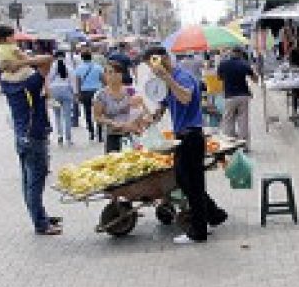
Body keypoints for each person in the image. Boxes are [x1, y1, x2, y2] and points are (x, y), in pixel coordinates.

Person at [143, 46, 228, 244]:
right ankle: (214, 215)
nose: (152, 69)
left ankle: (199, 231)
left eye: (152, 64)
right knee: (184, 181)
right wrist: (154, 117)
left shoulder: (182, 77)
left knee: (194, 185)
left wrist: (167, 78)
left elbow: (185, 97)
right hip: (181, 137)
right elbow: (164, 102)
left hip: (192, 136)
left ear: (162, 59)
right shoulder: (167, 80)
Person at [0, 51, 61, 235]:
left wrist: (15, 63)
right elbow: (48, 59)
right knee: (35, 182)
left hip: (21, 136)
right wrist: (22, 61)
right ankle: (40, 223)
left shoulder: (6, 83)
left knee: (27, 181)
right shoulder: (29, 83)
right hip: (34, 135)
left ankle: (39, 216)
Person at [93, 61, 148, 154]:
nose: (110, 75)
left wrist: (139, 122)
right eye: (107, 72)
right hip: (113, 135)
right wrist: (113, 123)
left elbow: (144, 110)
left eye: (113, 72)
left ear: (120, 74)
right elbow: (97, 117)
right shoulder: (100, 95)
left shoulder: (131, 91)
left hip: (132, 135)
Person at [217, 48, 258, 145]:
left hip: (229, 96)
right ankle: (244, 145)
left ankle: (230, 143)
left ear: (231, 53)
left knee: (228, 120)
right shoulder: (244, 64)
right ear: (240, 54)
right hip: (243, 96)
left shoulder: (223, 64)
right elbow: (255, 79)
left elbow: (219, 78)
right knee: (243, 121)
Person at [73, 51, 106, 143]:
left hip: (85, 92)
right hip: (97, 91)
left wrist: (78, 94)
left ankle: (91, 132)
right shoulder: (98, 67)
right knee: (98, 113)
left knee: (87, 112)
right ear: (91, 57)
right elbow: (103, 80)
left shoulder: (79, 68)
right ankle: (99, 134)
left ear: (82, 58)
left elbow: (78, 82)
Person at [0, 24, 36, 89]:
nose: (14, 38)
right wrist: (31, 58)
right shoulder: (12, 47)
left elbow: (0, 62)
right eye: (13, 36)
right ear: (7, 38)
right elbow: (24, 57)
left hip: (8, 75)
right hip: (22, 72)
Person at [47, 51, 76, 146]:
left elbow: (48, 79)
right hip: (66, 90)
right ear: (64, 56)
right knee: (67, 115)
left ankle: (60, 135)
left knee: (57, 115)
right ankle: (68, 138)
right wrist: (75, 93)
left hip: (54, 90)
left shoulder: (52, 67)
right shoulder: (69, 67)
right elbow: (73, 82)